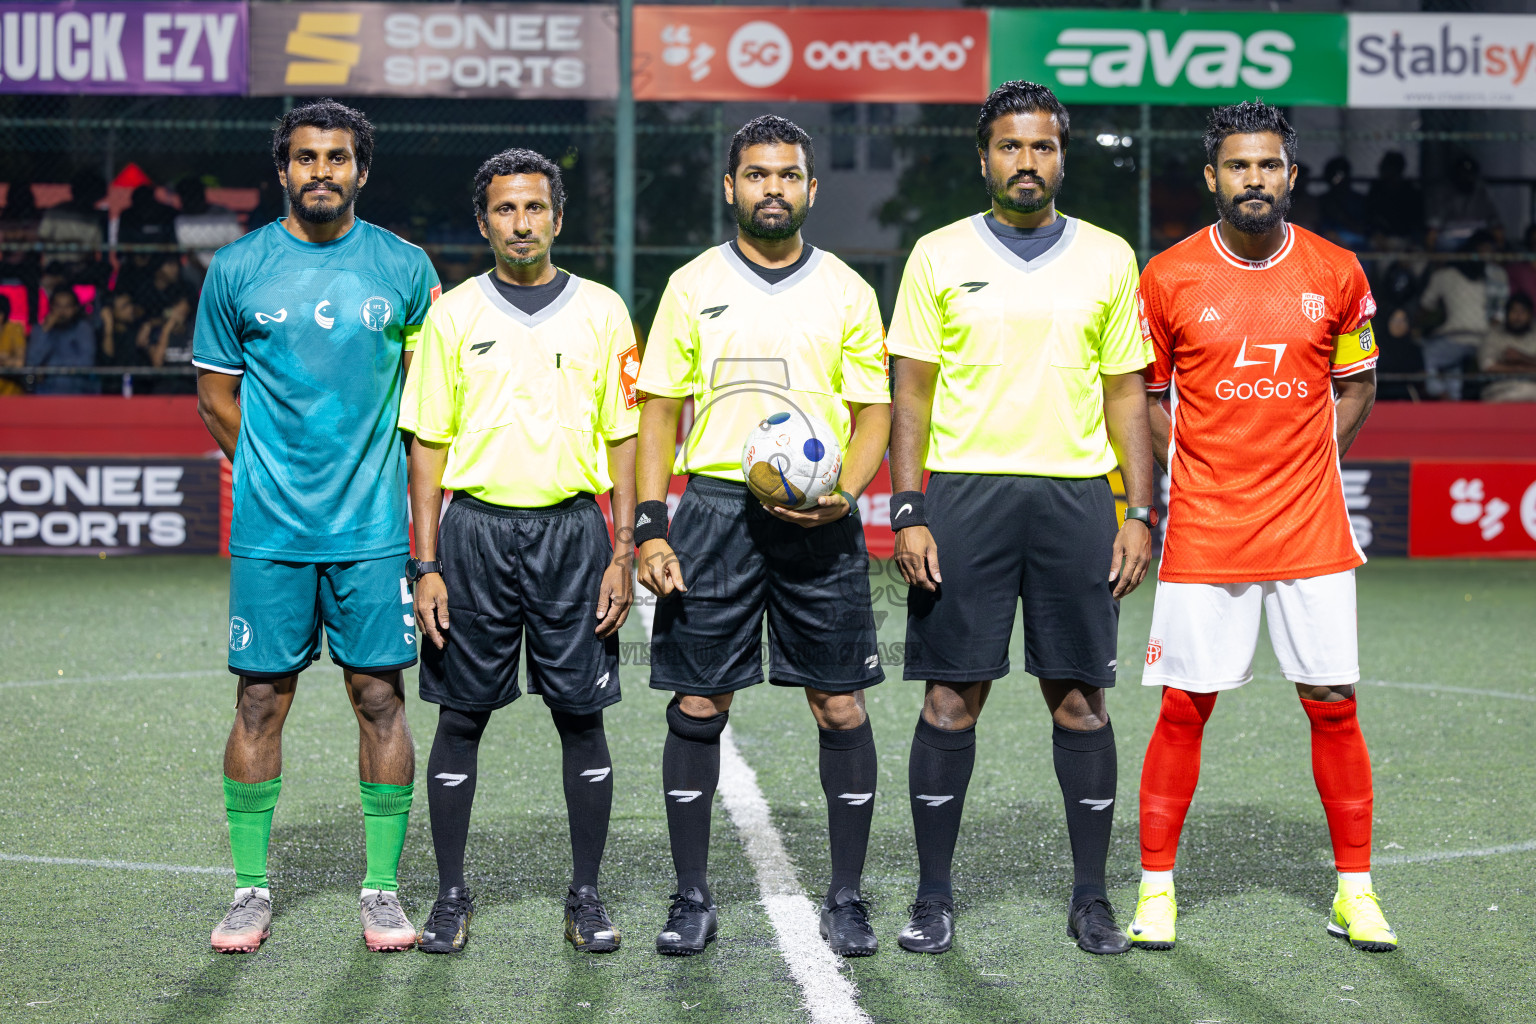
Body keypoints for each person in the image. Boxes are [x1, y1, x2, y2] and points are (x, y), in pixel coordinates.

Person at [886, 80, 1155, 957]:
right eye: (1011, 146)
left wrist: (1138, 509)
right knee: (949, 700)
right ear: (985, 159)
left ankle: (1092, 900)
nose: (1026, 161)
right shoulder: (936, 254)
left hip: (1076, 498)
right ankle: (932, 897)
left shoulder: (1109, 255)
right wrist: (908, 506)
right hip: (965, 496)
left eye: (1042, 146)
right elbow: (911, 392)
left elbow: (1126, 393)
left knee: (1080, 702)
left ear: (1062, 157)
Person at [1132, 100, 1396, 955]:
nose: (1255, 179)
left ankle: (1355, 892)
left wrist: (1310, 460)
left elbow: (1357, 384)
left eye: (1269, 165)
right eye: (1239, 166)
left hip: (1310, 524)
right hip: (1206, 525)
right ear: (1212, 177)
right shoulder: (1168, 276)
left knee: (1333, 703)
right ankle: (1157, 890)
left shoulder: (1336, 270)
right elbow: (1147, 397)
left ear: (1291, 175)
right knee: (1185, 706)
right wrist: (1197, 467)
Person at [634, 115, 892, 958]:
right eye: (755, 174)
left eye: (786, 175)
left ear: (810, 189)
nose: (771, 188)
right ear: (731, 187)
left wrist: (844, 495)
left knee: (840, 702)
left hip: (821, 518)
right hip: (714, 510)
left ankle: (846, 899)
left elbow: (873, 411)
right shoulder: (691, 284)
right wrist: (651, 526)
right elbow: (659, 409)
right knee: (698, 702)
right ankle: (691, 897)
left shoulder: (847, 289)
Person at [193, 99, 441, 955]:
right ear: (283, 169)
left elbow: (429, 402)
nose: (322, 171)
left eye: (338, 157)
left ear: (361, 171)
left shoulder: (404, 267)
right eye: (306, 157)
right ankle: (249, 890)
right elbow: (216, 397)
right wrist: (272, 473)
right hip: (271, 532)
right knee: (260, 699)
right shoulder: (237, 268)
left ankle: (382, 889)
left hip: (372, 530)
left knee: (380, 697)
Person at [399, 148, 640, 954]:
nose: (522, 222)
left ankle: (586, 897)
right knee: (461, 715)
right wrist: (426, 565)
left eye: (535, 207)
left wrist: (623, 550)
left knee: (582, 715)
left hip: (575, 534)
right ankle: (450, 896)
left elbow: (625, 436)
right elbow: (427, 446)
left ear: (558, 218)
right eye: (505, 209)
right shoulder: (452, 315)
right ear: (483, 222)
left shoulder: (604, 310)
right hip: (473, 535)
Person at [1420, 239, 1494, 400]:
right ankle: (1454, 397)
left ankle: (1439, 393)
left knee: (1426, 352)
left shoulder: (1442, 275)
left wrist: (1420, 326)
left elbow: (1425, 306)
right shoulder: (1487, 276)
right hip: (1486, 337)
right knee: (1451, 361)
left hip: (1459, 336)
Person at [25, 285, 97, 394]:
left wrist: (48, 368)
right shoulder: (40, 330)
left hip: (78, 392)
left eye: (67, 307)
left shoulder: (83, 329)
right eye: (58, 306)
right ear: (51, 307)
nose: (62, 312)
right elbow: (31, 361)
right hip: (46, 392)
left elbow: (86, 362)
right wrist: (45, 331)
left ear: (75, 308)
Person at [1426, 154, 1502, 252]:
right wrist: (1431, 242)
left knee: (1486, 246)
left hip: (1477, 235)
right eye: (1463, 174)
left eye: (1469, 174)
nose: (1466, 177)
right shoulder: (1444, 191)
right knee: (1446, 244)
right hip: (1451, 236)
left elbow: (1494, 220)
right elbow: (1435, 223)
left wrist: (1499, 240)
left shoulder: (1482, 191)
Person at [1479, 293, 1536, 403]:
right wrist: (1523, 368)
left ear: (1530, 315)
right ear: (1506, 313)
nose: (1518, 316)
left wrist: (1521, 357)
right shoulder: (1494, 334)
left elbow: (1498, 365)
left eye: (1523, 312)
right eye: (1514, 311)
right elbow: (1488, 366)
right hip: (1502, 387)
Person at [1365, 152, 1423, 248]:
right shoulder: (1376, 190)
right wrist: (1376, 233)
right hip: (1380, 238)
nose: (1382, 170)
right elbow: (1370, 218)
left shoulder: (1410, 191)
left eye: (1387, 167)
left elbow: (1415, 223)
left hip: (1404, 238)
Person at [98, 289, 149, 394]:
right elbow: (107, 359)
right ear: (112, 312)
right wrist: (109, 326)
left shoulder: (137, 329)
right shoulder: (102, 334)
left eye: (130, 304)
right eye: (124, 307)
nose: (130, 309)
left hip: (139, 388)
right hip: (113, 388)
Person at [147, 290, 197, 394]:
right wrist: (168, 327)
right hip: (166, 384)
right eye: (178, 310)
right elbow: (157, 362)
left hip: (188, 384)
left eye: (184, 312)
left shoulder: (191, 331)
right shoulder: (159, 333)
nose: (180, 315)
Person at [0, 292, 27, 396]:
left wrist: (7, 360)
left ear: (2, 315)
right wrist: (5, 359)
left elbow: (19, 363)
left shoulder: (14, 329)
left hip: (10, 394)